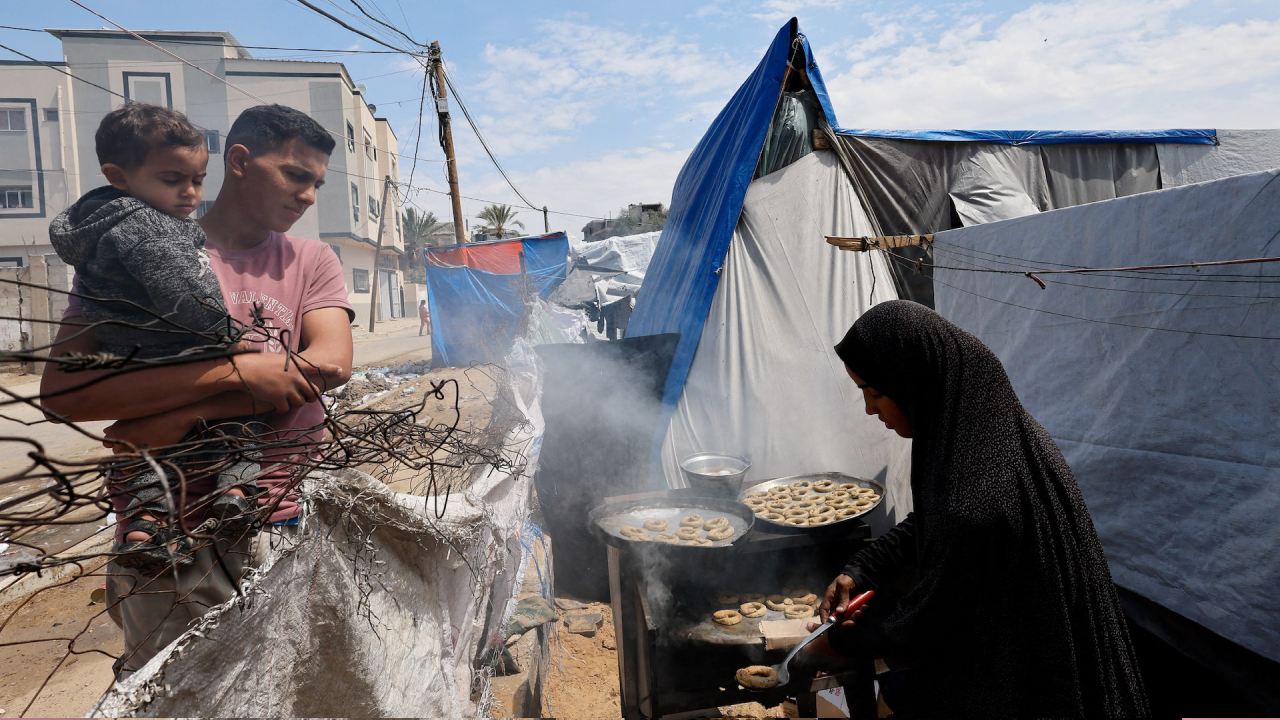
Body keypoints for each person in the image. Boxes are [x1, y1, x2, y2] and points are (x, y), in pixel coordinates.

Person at [40, 104, 354, 676]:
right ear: (239, 161)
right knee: (173, 693)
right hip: (160, 537)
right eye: (296, 175)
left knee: (288, 689)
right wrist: (248, 377)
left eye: (317, 183)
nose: (308, 195)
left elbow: (329, 364)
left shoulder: (311, 259)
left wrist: (187, 412)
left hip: (276, 515)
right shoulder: (129, 253)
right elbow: (66, 391)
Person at [803, 300, 1148, 717]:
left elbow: (930, 617)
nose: (870, 409)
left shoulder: (976, 497)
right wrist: (860, 568)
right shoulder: (984, 438)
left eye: (875, 392)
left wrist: (836, 644)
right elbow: (929, 523)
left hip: (1028, 684)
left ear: (918, 383)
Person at [48, 103, 266, 577]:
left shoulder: (98, 223)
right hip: (183, 345)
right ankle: (236, 494)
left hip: (133, 359)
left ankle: (144, 528)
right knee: (242, 415)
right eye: (173, 180)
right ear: (118, 175)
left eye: (198, 180)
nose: (190, 193)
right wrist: (228, 338)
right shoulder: (146, 226)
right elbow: (185, 296)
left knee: (153, 454)